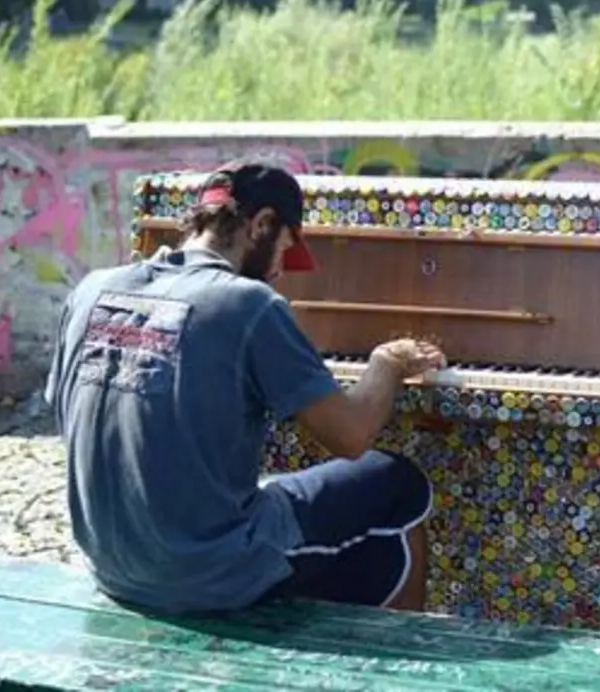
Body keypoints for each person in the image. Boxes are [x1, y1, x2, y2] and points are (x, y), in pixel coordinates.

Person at [42, 161, 446, 615]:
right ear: (262, 225)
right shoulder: (247, 302)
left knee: (294, 497)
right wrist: (386, 364)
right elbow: (350, 436)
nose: (279, 273)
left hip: (112, 566)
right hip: (206, 573)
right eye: (284, 253)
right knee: (395, 481)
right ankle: (413, 662)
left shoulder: (93, 289)